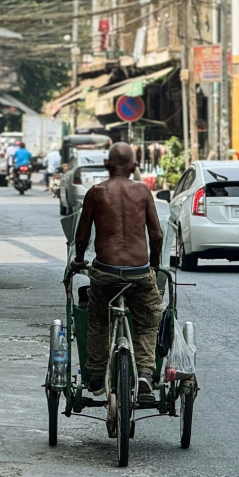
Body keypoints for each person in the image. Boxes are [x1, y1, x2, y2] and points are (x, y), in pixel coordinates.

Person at [68, 143, 164, 396]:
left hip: (106, 272)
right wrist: (154, 266)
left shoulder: (96, 192)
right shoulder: (143, 192)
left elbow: (82, 234)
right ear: (134, 167)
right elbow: (156, 235)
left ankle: (97, 377)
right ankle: (144, 373)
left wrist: (79, 259)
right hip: (139, 272)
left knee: (98, 320)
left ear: (107, 165)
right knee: (147, 321)